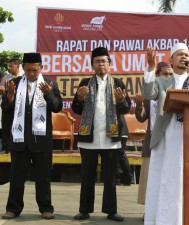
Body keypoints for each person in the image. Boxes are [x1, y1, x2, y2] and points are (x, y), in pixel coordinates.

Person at [143, 43, 189, 225]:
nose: (184, 57)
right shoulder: (162, 81)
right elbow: (149, 94)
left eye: (186, 54)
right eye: (179, 54)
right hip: (167, 139)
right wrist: (150, 68)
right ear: (171, 60)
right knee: (167, 181)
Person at [1, 52, 63, 220]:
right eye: (28, 70)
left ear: (41, 68)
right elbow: (6, 112)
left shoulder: (50, 84)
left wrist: (49, 94)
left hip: (41, 139)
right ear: (23, 68)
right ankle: (13, 208)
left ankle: (46, 208)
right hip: (19, 139)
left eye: (35, 70)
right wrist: (10, 97)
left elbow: (57, 107)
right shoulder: (12, 83)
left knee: (43, 177)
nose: (32, 74)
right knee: (16, 177)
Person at [72, 47, 131, 222]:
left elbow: (126, 108)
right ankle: (84, 210)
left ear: (109, 64)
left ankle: (111, 211)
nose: (101, 64)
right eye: (97, 61)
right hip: (89, 136)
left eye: (104, 61)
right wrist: (80, 99)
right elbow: (76, 109)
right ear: (92, 65)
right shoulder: (85, 82)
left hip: (110, 137)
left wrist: (121, 102)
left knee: (110, 177)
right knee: (87, 176)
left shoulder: (118, 83)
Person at [135, 62, 173, 206]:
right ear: (156, 75)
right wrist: (139, 106)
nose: (168, 77)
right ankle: (150, 209)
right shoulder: (149, 93)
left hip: (171, 140)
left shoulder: (176, 91)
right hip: (152, 141)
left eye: (171, 74)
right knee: (150, 177)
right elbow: (141, 117)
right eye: (165, 74)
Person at [116, 114, 134, 186]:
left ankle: (118, 179)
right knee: (121, 154)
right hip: (122, 132)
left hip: (119, 132)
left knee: (117, 155)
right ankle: (128, 177)